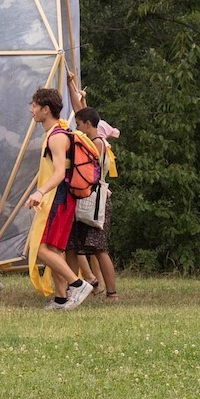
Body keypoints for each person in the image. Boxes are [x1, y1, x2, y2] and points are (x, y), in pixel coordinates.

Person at [21, 87, 92, 308]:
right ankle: (62, 298)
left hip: (57, 199)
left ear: (46, 109)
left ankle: (78, 284)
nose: (31, 110)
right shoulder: (58, 133)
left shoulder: (57, 137)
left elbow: (60, 173)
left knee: (41, 248)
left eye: (34, 106)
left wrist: (40, 191)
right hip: (60, 198)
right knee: (55, 249)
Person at [67, 107, 119, 300]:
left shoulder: (94, 144)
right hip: (96, 199)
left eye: (79, 124)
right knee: (77, 246)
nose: (78, 128)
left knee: (97, 248)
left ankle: (110, 292)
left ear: (88, 124)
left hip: (93, 202)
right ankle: (102, 291)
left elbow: (86, 171)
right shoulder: (100, 142)